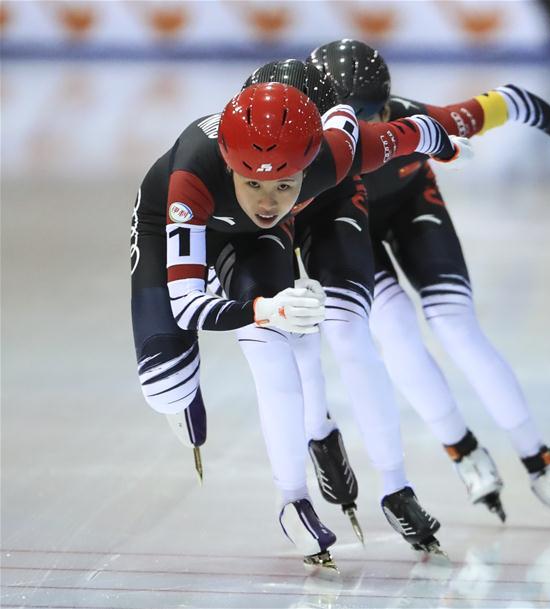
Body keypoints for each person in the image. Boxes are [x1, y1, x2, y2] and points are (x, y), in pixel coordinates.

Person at [130, 81, 461, 568]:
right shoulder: (192, 176)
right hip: (173, 225)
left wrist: (447, 145)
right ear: (228, 162)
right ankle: (183, 396)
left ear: (310, 167)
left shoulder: (336, 155)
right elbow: (186, 305)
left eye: (286, 184)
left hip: (252, 241)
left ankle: (292, 499)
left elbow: (413, 133)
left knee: (274, 345)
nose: (269, 201)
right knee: (164, 383)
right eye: (254, 182)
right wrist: (265, 308)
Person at [302, 39, 550, 526]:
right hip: (348, 230)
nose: (367, 129)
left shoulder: (420, 121)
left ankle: (539, 460)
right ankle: (463, 451)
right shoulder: (308, 146)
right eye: (353, 116)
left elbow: (511, 100)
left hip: (412, 207)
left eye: (376, 112)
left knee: (456, 327)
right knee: (394, 329)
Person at [240, 59, 469, 556]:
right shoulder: (224, 156)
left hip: (333, 205)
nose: (280, 174)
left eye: (294, 161)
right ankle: (312, 450)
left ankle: (395, 485)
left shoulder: (344, 147)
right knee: (283, 338)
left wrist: (443, 142)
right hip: (261, 224)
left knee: (349, 333)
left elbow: (413, 131)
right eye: (265, 164)